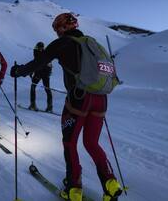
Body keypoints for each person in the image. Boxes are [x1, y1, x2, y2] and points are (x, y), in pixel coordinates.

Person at [10, 13, 122, 201]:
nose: (56, 33)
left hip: (79, 98)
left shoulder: (63, 43)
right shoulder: (92, 43)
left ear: (62, 28)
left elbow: (39, 63)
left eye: (56, 29)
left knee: (70, 143)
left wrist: (18, 71)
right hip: (101, 99)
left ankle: (74, 189)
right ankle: (111, 184)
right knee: (92, 143)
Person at [28, 41, 53, 112]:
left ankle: (33, 105)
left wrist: (31, 71)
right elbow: (49, 64)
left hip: (39, 73)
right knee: (47, 89)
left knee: (34, 86)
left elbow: (35, 63)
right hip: (44, 74)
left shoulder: (37, 53)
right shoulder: (45, 53)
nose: (40, 49)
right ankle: (49, 107)